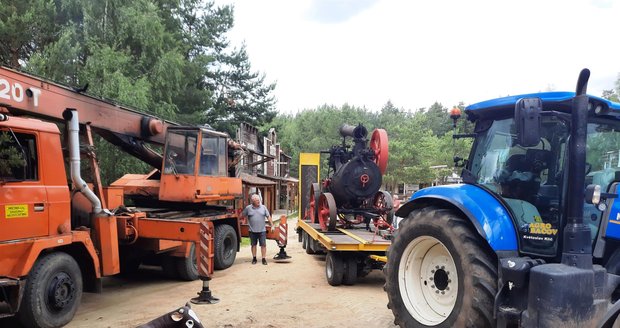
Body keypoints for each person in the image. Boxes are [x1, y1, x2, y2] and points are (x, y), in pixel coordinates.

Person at [242, 194, 274, 265]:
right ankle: (254, 258)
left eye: (259, 200)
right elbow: (242, 215)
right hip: (252, 231)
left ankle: (263, 259)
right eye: (256, 201)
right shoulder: (248, 208)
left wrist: (272, 226)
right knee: (253, 245)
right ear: (252, 201)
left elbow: (268, 217)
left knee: (263, 245)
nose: (258, 202)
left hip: (262, 230)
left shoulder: (263, 207)